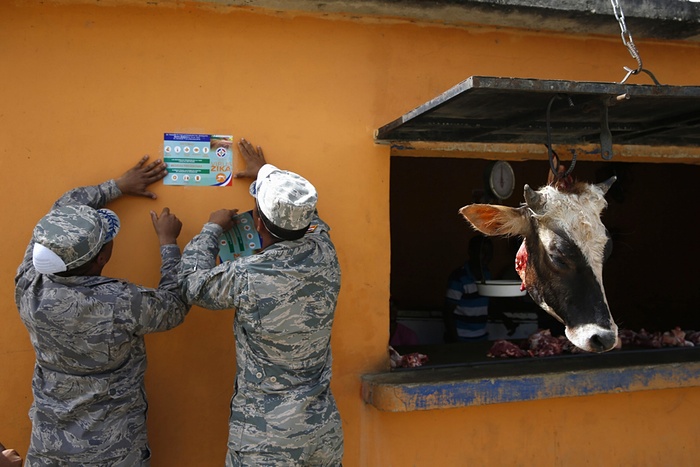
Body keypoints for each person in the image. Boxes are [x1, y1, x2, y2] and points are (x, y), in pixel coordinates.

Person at [14, 156, 190, 466]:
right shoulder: (120, 301)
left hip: (49, 447)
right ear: (101, 258)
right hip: (115, 450)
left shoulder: (29, 284)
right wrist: (168, 243)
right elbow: (173, 307)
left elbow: (61, 210)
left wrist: (118, 186)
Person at [179, 138, 343, 466]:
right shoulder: (325, 251)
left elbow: (191, 285)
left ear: (256, 224)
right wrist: (266, 172)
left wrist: (211, 229)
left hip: (266, 439)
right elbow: (309, 214)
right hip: (322, 431)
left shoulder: (247, 275)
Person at [443, 235, 493, 342]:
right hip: (460, 338)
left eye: (489, 253)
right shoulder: (459, 277)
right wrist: (455, 340)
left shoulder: (487, 275)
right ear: (471, 252)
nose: (486, 257)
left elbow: (488, 305)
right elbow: (447, 312)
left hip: (481, 336)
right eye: (482, 252)